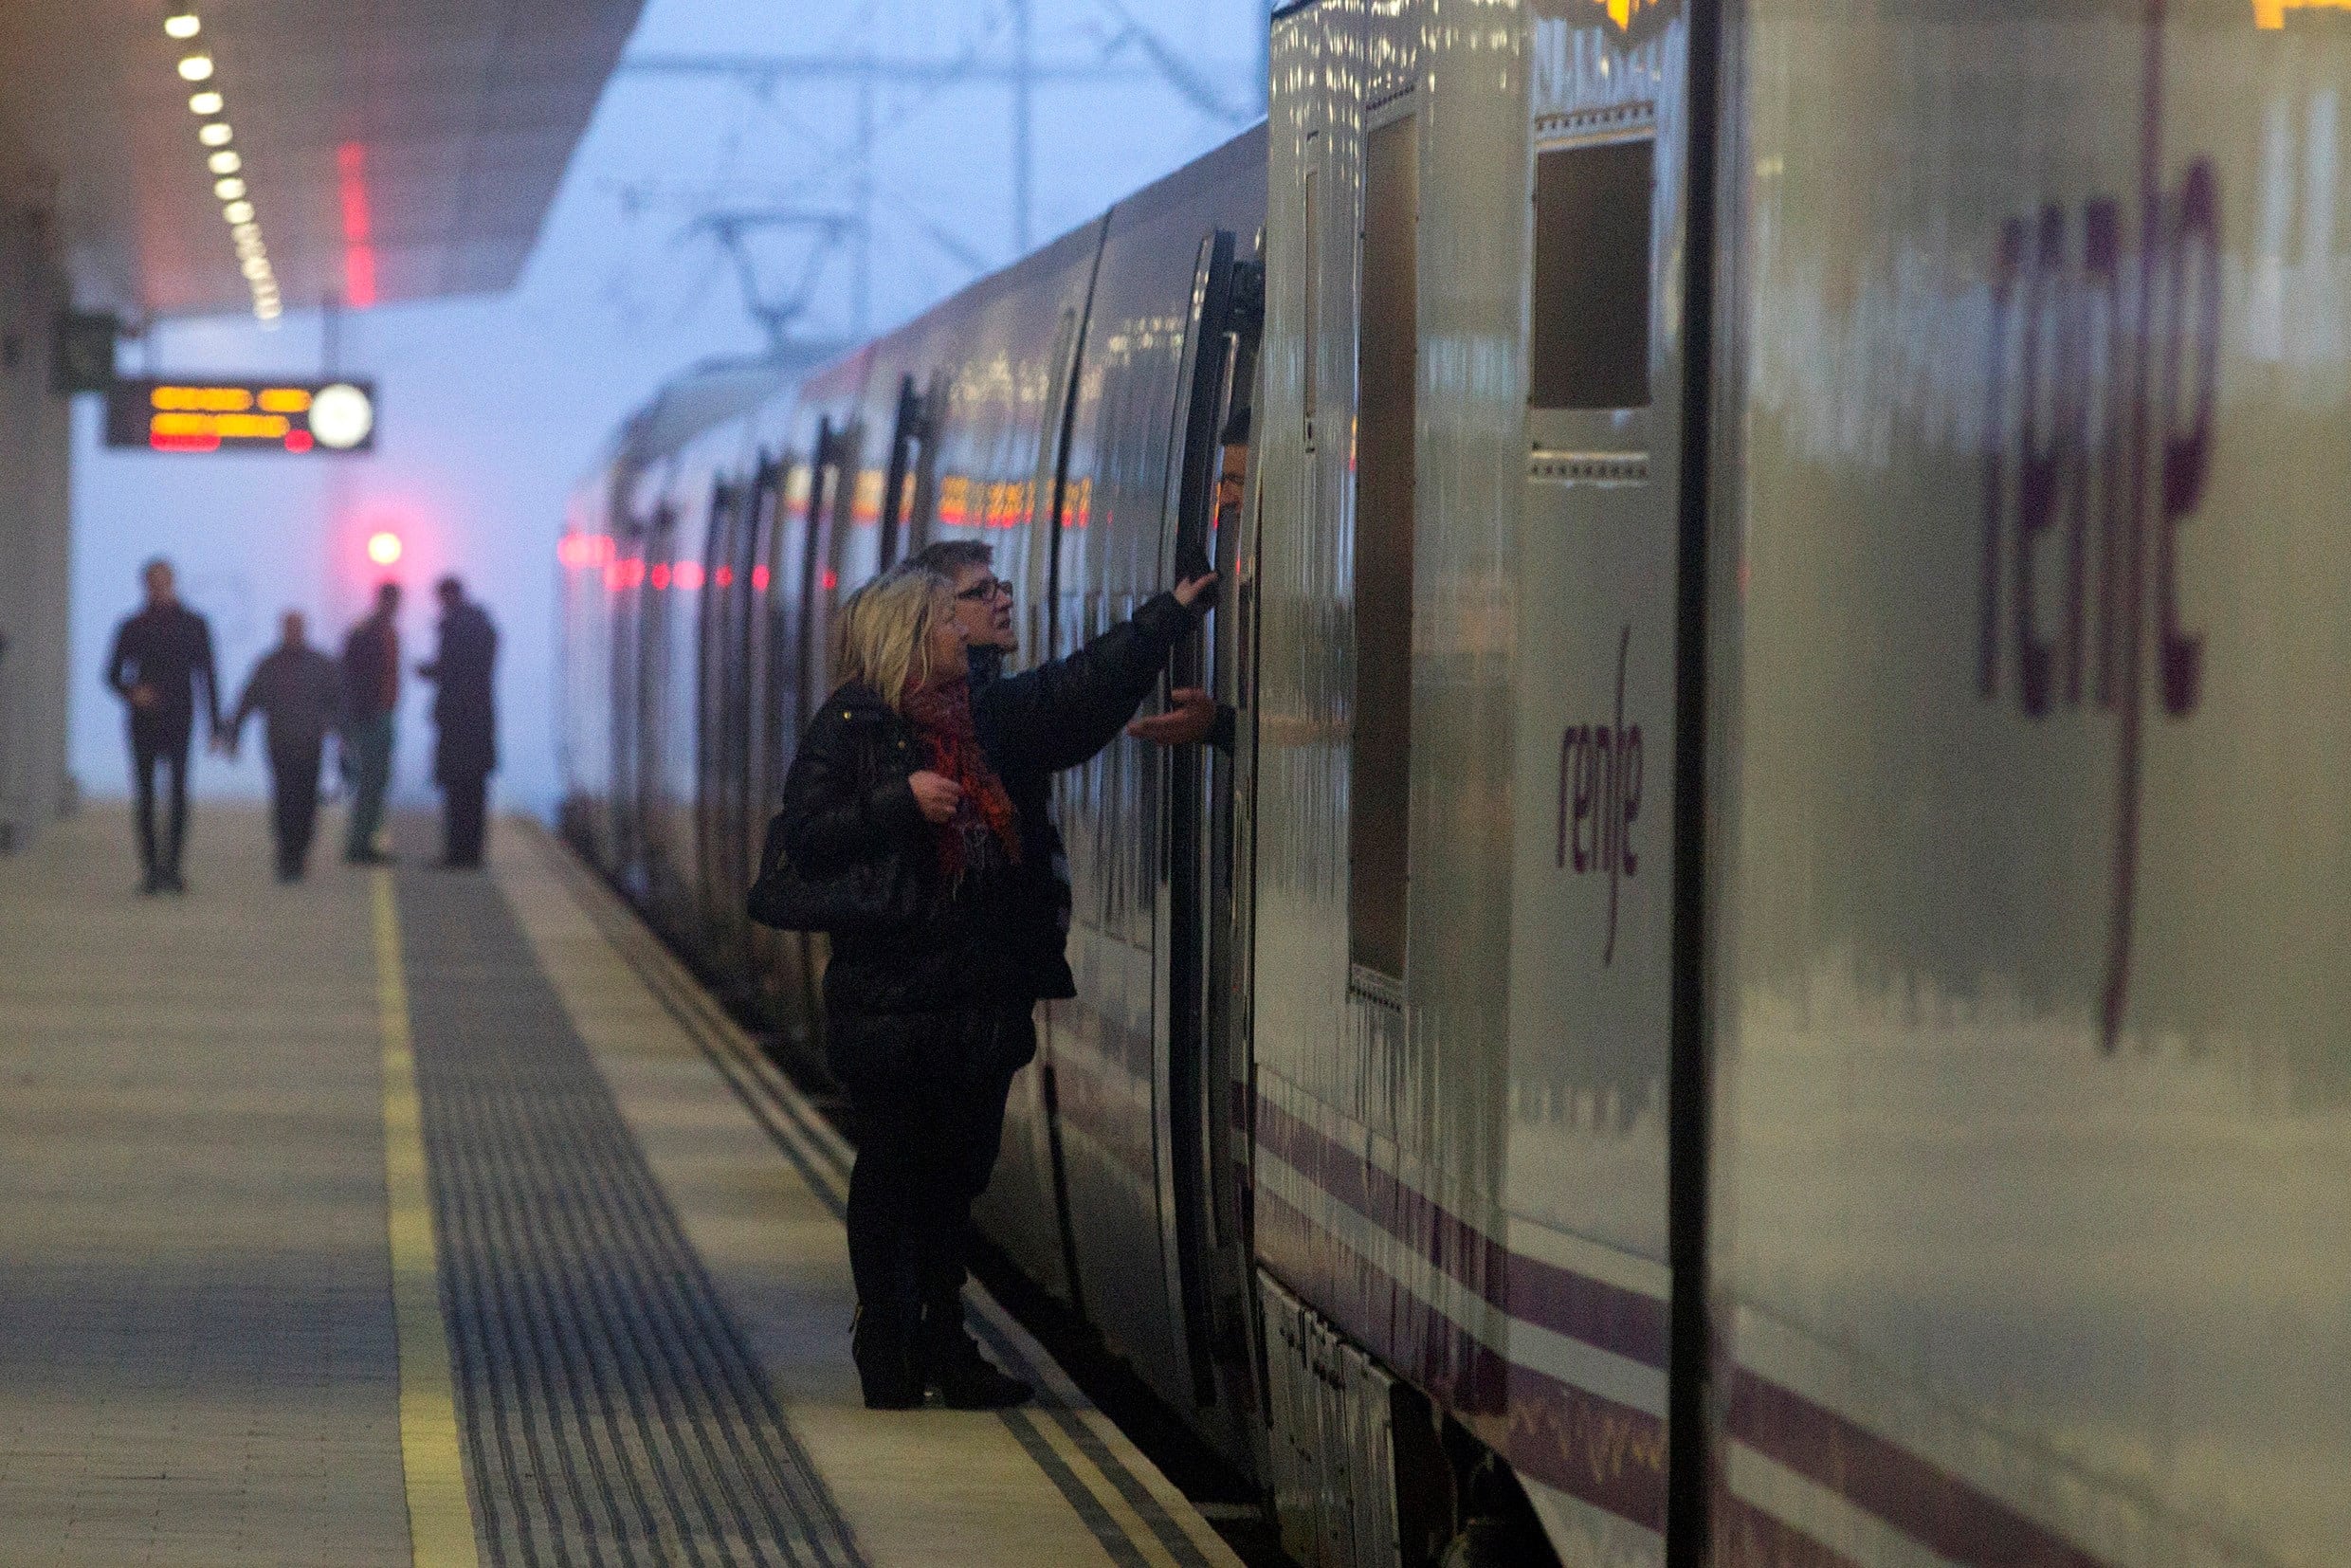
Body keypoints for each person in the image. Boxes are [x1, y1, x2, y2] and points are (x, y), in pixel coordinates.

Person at [775, 556, 1214, 1410]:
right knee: (894, 1166)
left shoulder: (987, 721)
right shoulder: (854, 727)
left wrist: (1167, 615)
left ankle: (943, 1334)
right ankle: (886, 1333)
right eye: (955, 613)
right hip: (890, 996)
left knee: (955, 1178)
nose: (972, 622)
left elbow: (1080, 692)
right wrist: (898, 803)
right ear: (914, 635)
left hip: (976, 997)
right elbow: (807, 838)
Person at [103, 557, 222, 894]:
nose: (158, 587)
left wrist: (215, 726)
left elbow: (207, 675)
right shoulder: (133, 626)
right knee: (145, 796)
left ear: (172, 582)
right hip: (143, 721)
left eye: (163, 580)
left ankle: (173, 868)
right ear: (145, 585)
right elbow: (111, 674)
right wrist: (132, 692)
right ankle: (151, 870)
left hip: (180, 719)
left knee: (178, 795)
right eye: (153, 581)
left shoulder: (194, 625)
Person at [224, 611, 341, 882]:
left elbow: (337, 701)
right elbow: (248, 699)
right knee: (285, 800)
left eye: (296, 627)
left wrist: (338, 734)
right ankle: (287, 855)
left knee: (306, 801)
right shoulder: (270, 665)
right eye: (289, 628)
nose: (293, 633)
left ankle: (299, 852)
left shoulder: (320, 665)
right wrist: (234, 733)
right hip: (280, 744)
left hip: (310, 744)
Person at [416, 576, 498, 868]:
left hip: (456, 723)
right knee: (474, 793)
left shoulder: (453, 627)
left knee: (456, 792)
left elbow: (451, 670)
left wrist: (429, 672)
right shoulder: (484, 626)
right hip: (480, 722)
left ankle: (457, 852)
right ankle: (472, 853)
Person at [341, 581, 401, 865]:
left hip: (381, 714)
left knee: (376, 782)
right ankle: (359, 844)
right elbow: (349, 675)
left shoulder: (383, 631)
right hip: (370, 717)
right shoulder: (367, 631)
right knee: (369, 782)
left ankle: (364, 841)